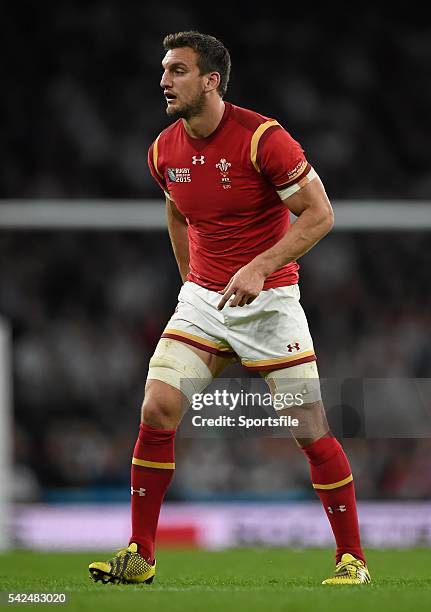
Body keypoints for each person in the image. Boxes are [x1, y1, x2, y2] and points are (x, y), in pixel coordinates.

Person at [89, 30, 370, 586]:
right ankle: (140, 554)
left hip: (270, 305)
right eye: (165, 70)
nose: (164, 80)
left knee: (308, 426)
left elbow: (319, 215)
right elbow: (176, 211)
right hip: (204, 301)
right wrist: (191, 282)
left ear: (211, 81)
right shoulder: (162, 149)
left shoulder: (262, 139)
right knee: (157, 408)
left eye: (177, 71)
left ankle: (352, 560)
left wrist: (261, 265)